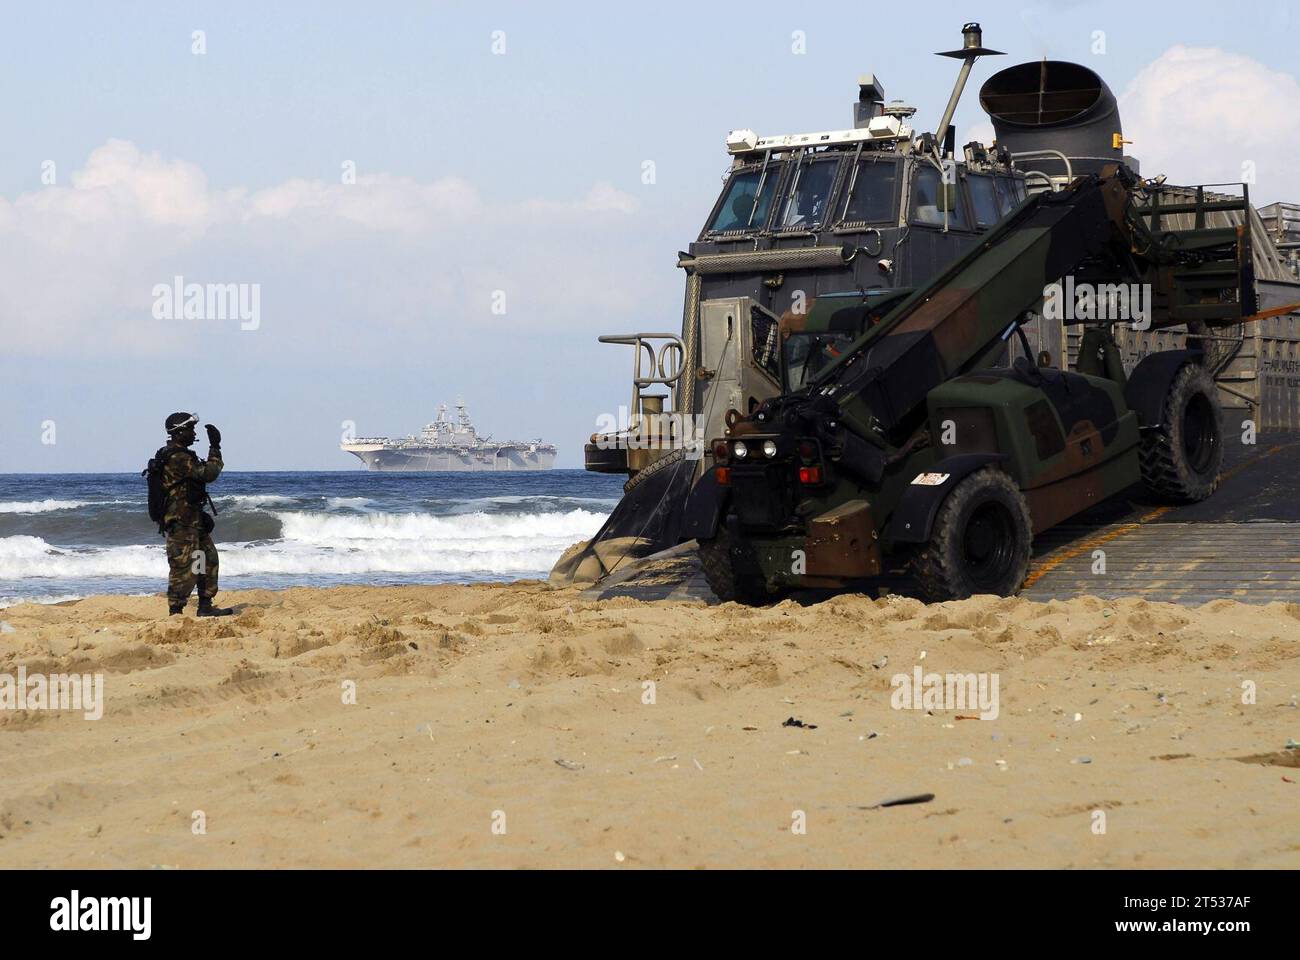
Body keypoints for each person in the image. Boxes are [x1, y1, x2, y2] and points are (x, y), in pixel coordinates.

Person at [158, 412, 233, 617]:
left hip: (193, 519)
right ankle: (175, 611)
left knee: (207, 559)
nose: (193, 433)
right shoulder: (178, 456)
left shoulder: (181, 453)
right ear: (178, 432)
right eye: (190, 429)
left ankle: (205, 606)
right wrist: (215, 448)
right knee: (184, 567)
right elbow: (209, 474)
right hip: (181, 522)